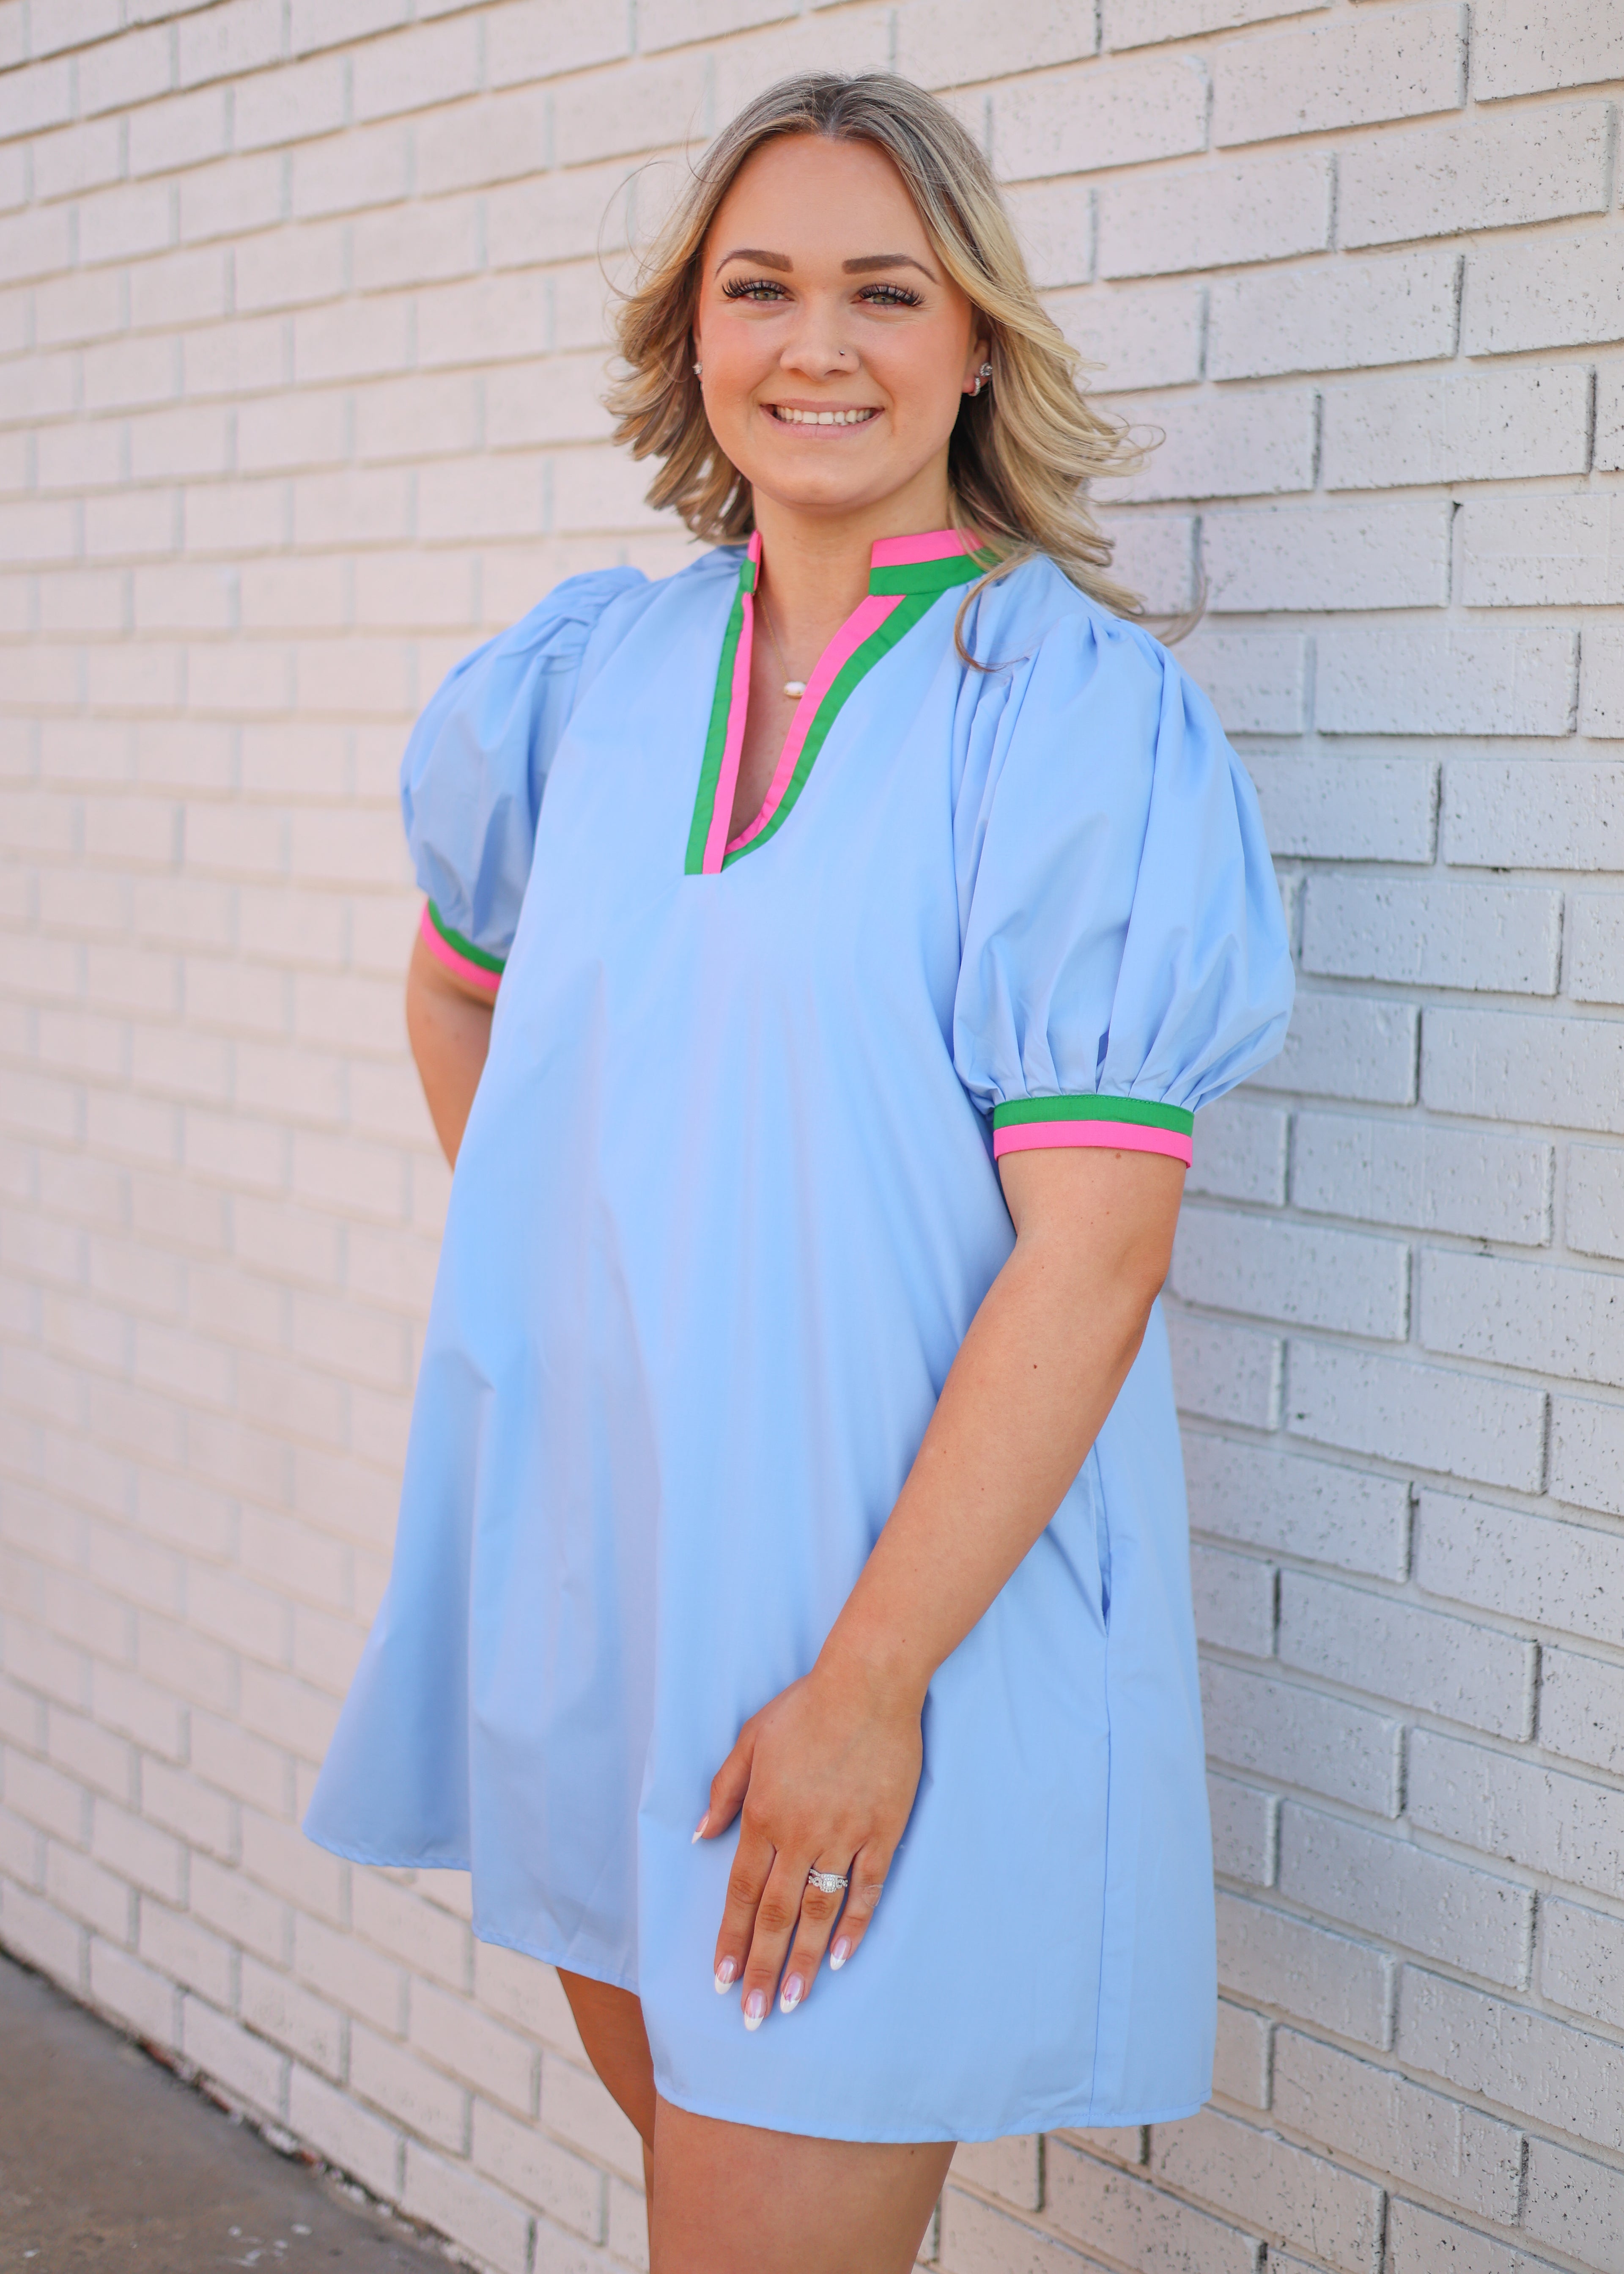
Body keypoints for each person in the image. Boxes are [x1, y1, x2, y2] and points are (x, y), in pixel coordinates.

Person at [304, 71, 1293, 2274]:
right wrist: (594, 1300)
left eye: (883, 289)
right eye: (759, 288)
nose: (815, 345)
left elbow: (1101, 1261)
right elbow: (459, 995)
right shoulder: (584, 684)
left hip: (881, 1641)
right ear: (691, 339)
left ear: (975, 343)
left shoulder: (1061, 719)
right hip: (615, 1599)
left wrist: (865, 1689)